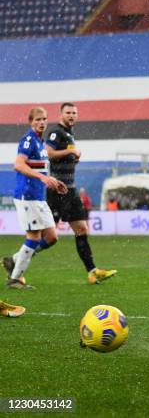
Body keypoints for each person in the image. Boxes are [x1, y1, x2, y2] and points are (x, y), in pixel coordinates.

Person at [44, 102, 116, 284]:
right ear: (61, 114)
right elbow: (49, 153)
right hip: (57, 189)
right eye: (68, 112)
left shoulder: (69, 134)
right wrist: (71, 151)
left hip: (70, 189)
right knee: (48, 236)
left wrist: (74, 157)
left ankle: (92, 272)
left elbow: (64, 157)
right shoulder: (56, 132)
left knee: (82, 229)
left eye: (74, 113)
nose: (72, 115)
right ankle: (18, 259)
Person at [3, 107, 67, 289]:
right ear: (31, 121)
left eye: (44, 119)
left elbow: (40, 169)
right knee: (34, 236)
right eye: (38, 119)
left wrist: (52, 180)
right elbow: (18, 165)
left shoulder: (41, 143)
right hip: (27, 195)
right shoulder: (28, 140)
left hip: (39, 197)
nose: (42, 122)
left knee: (52, 237)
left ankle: (15, 259)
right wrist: (43, 178)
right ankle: (15, 279)